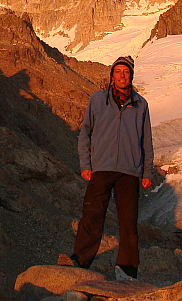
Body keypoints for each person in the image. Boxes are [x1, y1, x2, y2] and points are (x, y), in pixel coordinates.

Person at [58, 55, 153, 281]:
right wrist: (85, 164)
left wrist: (147, 171)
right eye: (118, 71)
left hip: (129, 171)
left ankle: (127, 270)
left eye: (126, 72)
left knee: (129, 222)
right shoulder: (98, 100)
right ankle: (80, 260)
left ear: (131, 76)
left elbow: (146, 141)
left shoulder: (141, 104)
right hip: (101, 168)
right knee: (92, 215)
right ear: (112, 76)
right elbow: (85, 134)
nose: (122, 75)